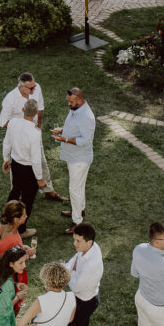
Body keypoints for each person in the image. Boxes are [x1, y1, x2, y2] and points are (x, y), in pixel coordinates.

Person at [0, 73, 68, 203]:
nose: (34, 89)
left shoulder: (36, 88)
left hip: (34, 132)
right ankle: (16, 197)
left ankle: (49, 190)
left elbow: (40, 108)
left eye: (34, 86)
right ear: (22, 86)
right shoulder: (10, 99)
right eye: (31, 88)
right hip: (19, 136)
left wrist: (39, 127)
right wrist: (19, 129)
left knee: (42, 161)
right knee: (17, 162)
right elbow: (2, 121)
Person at [57, 222, 104, 326]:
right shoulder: (88, 248)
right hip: (86, 297)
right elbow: (73, 261)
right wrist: (70, 269)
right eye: (74, 239)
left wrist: (69, 274)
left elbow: (76, 286)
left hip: (85, 302)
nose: (74, 243)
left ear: (89, 242)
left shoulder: (92, 264)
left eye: (78, 241)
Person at [52, 88, 96, 234]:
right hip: (74, 156)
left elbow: (85, 140)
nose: (68, 104)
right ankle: (79, 209)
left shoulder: (87, 117)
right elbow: (75, 127)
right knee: (79, 186)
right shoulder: (76, 108)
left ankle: (77, 221)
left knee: (74, 189)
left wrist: (65, 139)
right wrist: (62, 130)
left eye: (71, 101)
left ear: (80, 100)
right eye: (68, 101)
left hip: (79, 159)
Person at [3, 98, 47, 238]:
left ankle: (5, 221)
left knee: (15, 192)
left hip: (16, 165)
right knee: (28, 199)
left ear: (23, 110)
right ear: (36, 113)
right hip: (28, 170)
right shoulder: (35, 132)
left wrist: (6, 159)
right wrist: (40, 178)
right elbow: (35, 159)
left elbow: (7, 143)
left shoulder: (13, 123)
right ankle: (21, 230)